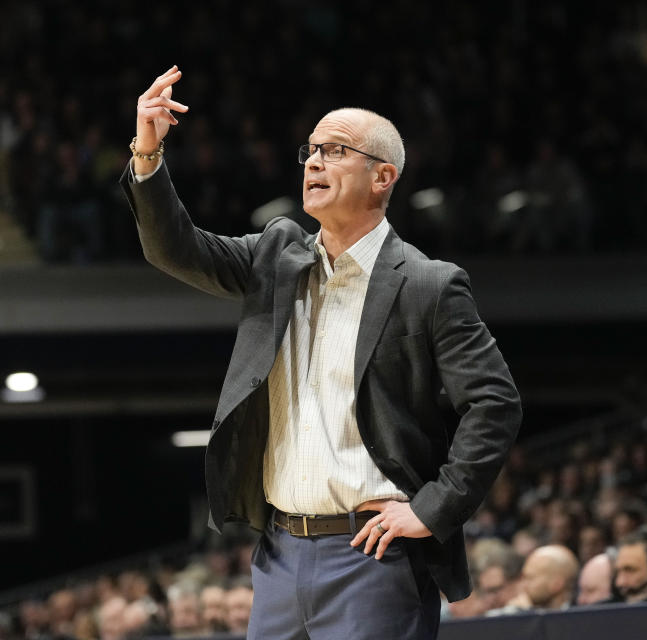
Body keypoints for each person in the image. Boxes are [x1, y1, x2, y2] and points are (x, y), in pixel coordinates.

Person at [121, 66, 522, 640]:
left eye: (335, 151)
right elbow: (175, 249)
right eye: (310, 150)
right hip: (279, 554)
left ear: (383, 176)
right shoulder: (277, 256)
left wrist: (433, 507)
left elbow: (495, 403)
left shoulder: (430, 284)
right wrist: (147, 151)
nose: (313, 162)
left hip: (373, 556)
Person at [486, 545, 579, 615]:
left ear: (557, 584)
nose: (523, 585)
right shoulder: (510, 614)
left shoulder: (578, 620)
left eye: (530, 578)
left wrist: (529, 618)